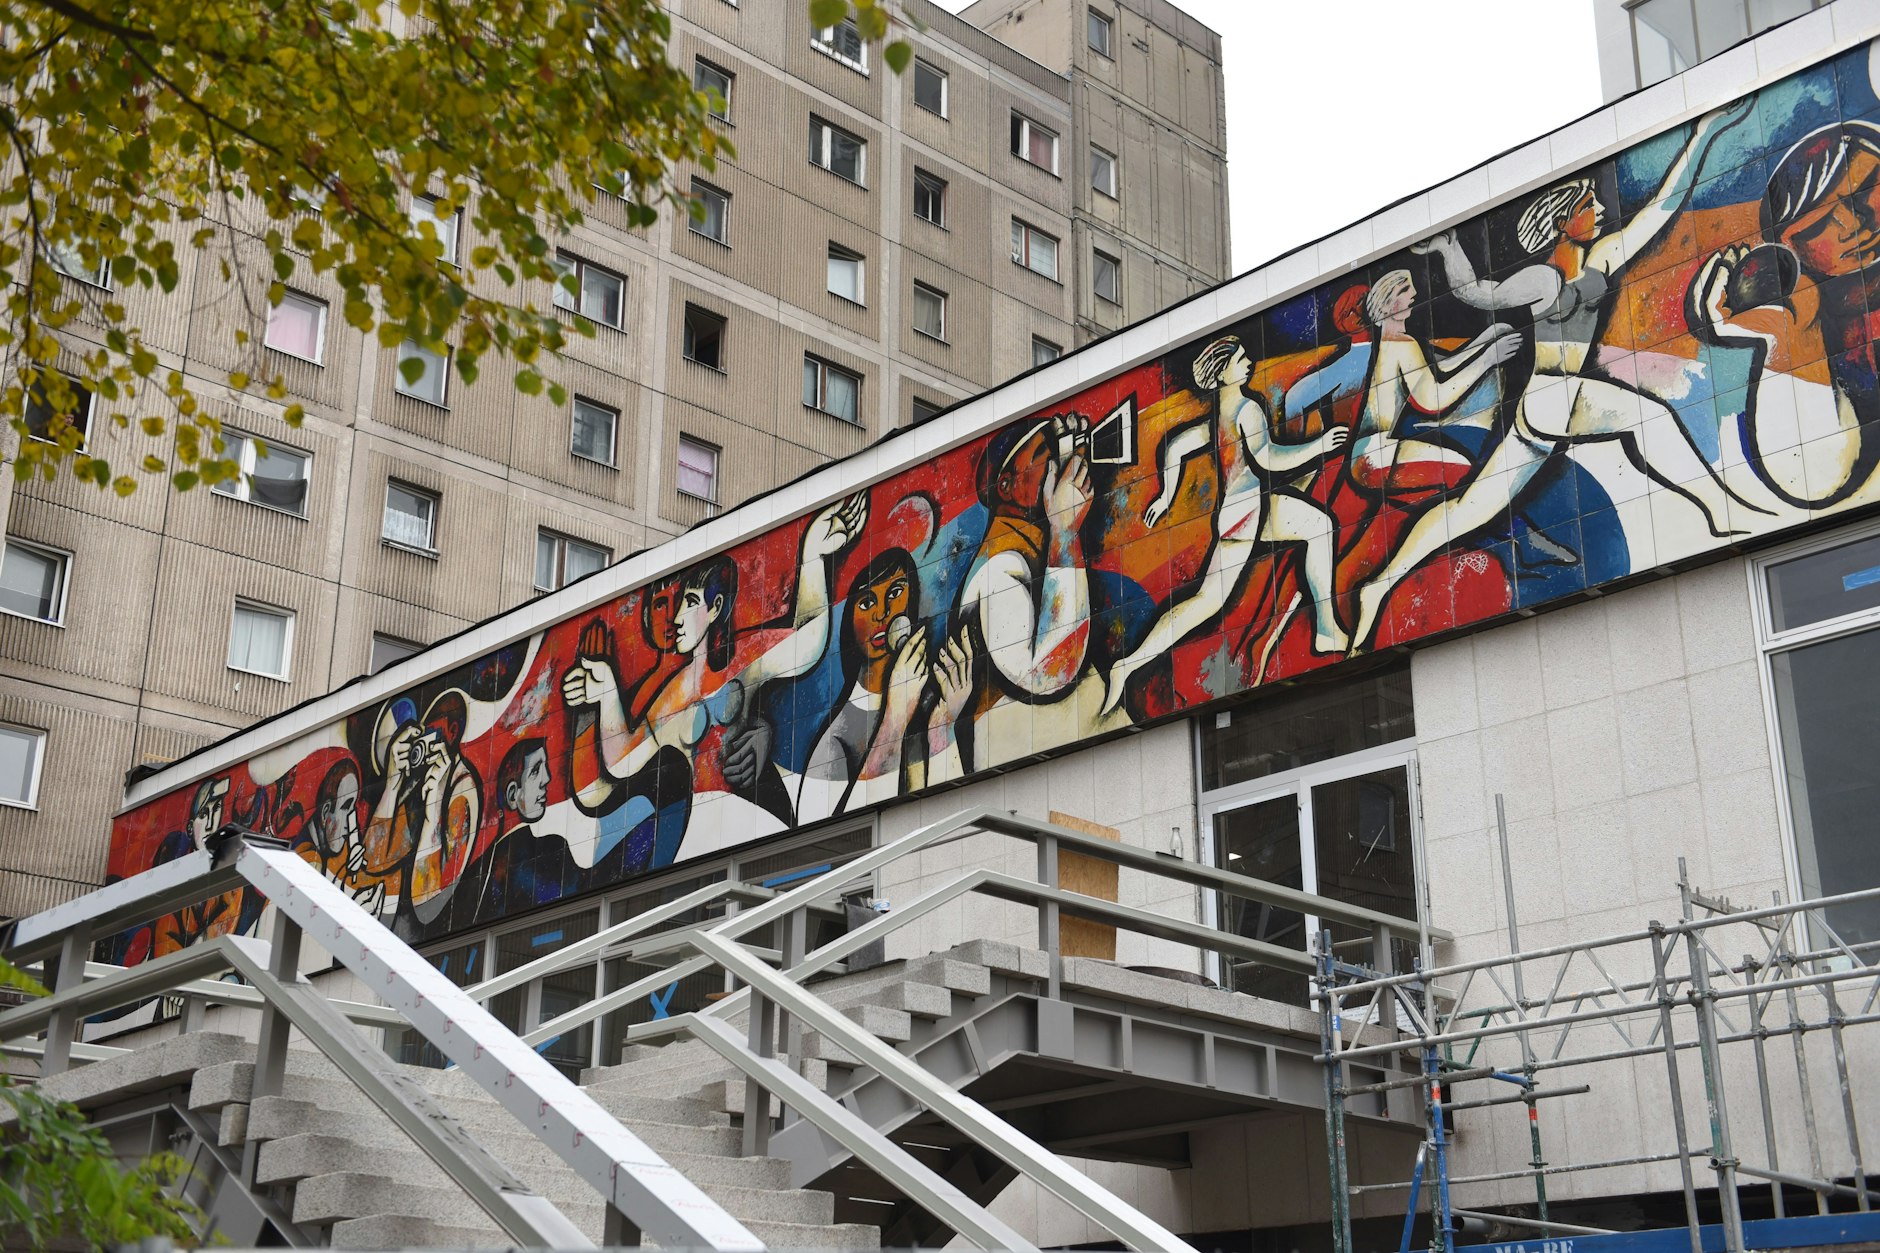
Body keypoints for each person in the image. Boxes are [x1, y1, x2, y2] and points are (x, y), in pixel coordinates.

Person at [1349, 98, 1765, 650]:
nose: (1598, 209)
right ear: (1560, 219)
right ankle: (1721, 510)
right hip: (1553, 393)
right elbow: (1480, 294)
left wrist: (1702, 136)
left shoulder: (1605, 256)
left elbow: (1661, 208)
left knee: (1471, 507)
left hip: (1546, 406)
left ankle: (1379, 585)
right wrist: (1450, 248)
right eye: (1587, 203)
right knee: (1649, 416)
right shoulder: (1542, 278)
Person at [561, 493, 867, 864]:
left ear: (716, 608)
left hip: (760, 823)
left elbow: (808, 644)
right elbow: (622, 762)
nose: (676, 619)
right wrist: (608, 690)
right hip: (700, 837)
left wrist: (813, 557)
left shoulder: (742, 660)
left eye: (690, 603)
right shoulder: (673, 695)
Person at [1101, 334, 1350, 715]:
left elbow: (1178, 445)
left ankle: (1328, 630)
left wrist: (1167, 494)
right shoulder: (1247, 409)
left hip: (1246, 510)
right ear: (1221, 374)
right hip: (1248, 515)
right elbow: (1268, 458)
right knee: (1206, 602)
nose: (1249, 361)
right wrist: (1319, 445)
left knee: (1318, 526)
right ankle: (1130, 663)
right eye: (1240, 359)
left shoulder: (1222, 411)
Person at [1689, 120, 1880, 509]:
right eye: (1822, 223)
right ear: (1790, 252)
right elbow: (1816, 481)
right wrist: (1789, 334)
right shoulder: (1825, 324)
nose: (1855, 223)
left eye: (1864, 191)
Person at [953, 413, 1121, 765]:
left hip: (1068, 748)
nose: (1057, 463)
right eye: (1044, 452)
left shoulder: (1025, 550)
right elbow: (1048, 671)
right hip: (1025, 755)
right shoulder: (998, 567)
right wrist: (1065, 533)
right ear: (1007, 487)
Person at [795, 547, 974, 819]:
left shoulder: (924, 699)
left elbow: (951, 819)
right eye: (866, 602)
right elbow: (835, 845)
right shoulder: (834, 741)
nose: (883, 613)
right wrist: (894, 719)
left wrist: (944, 720)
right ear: (847, 620)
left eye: (895, 593)